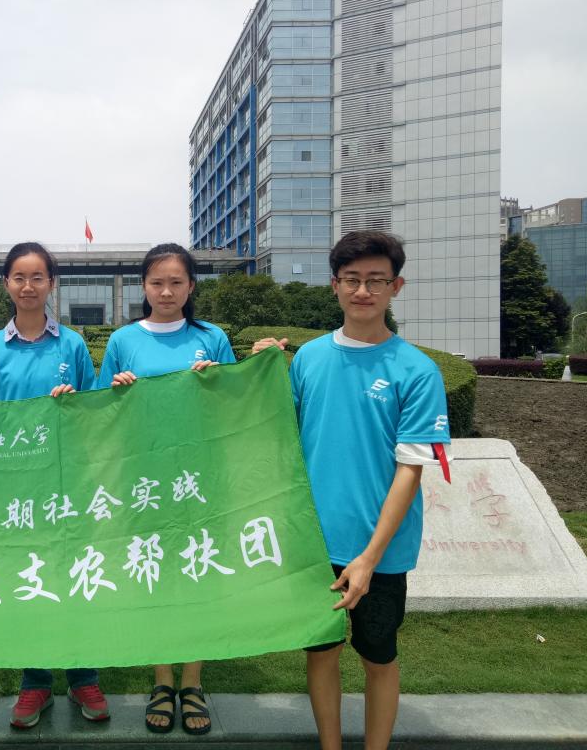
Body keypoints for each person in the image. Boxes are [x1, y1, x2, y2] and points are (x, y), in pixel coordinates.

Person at [252, 230, 452, 750]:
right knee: (320, 653)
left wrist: (368, 558)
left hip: (381, 550)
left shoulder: (417, 370)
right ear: (335, 285)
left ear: (395, 287)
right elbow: (281, 434)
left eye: (376, 281)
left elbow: (410, 472)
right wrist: (257, 370)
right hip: (314, 541)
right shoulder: (309, 359)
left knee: (378, 655)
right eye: (352, 280)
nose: (363, 291)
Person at [96, 242, 235, 736]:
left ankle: (192, 681)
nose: (167, 291)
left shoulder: (212, 338)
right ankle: (161, 679)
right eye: (157, 282)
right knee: (152, 570)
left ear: (191, 286)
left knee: (197, 572)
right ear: (144, 286)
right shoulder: (124, 340)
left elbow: (235, 404)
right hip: (145, 479)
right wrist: (117, 391)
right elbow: (100, 411)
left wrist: (218, 383)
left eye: (177, 282)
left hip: (199, 475)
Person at [0, 242, 107, 729]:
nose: (28, 286)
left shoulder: (72, 345)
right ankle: (35, 682)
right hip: (14, 488)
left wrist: (75, 403)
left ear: (51, 283)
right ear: (6, 283)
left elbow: (94, 412)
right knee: (27, 578)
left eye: (37, 277)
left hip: (67, 482)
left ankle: (83, 675)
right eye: (19, 277)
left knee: (74, 576)